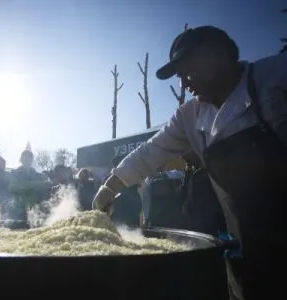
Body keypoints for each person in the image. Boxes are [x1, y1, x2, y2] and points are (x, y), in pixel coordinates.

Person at [92, 26, 287, 300]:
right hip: (249, 248)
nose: (183, 84)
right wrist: (110, 185)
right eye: (179, 75)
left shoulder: (275, 76)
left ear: (217, 57)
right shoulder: (189, 116)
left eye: (188, 71)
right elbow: (150, 152)